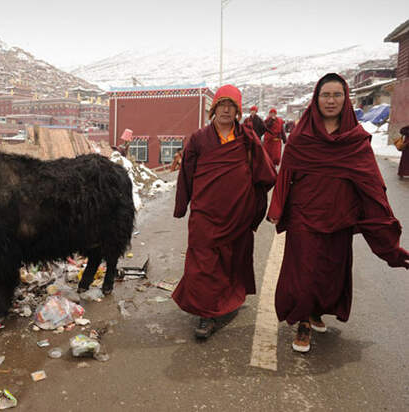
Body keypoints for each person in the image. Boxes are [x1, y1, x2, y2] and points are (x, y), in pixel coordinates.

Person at [267, 73, 409, 353]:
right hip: (304, 214)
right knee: (304, 272)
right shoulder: (301, 136)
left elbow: (371, 183)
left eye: (336, 95)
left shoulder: (356, 140)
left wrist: (381, 220)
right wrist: (277, 208)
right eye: (325, 95)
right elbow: (286, 175)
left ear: (346, 99)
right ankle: (304, 321)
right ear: (316, 100)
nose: (331, 101)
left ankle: (317, 310)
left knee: (329, 273)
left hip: (340, 217)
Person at [172, 85, 277, 339]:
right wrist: (181, 206)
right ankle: (206, 314)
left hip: (237, 214)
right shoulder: (199, 139)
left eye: (232, 105)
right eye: (222, 104)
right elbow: (186, 173)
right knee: (203, 263)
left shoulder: (247, 139)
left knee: (230, 261)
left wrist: (253, 206)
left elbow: (265, 174)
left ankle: (227, 299)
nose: (226, 110)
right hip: (205, 214)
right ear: (213, 109)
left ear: (238, 111)